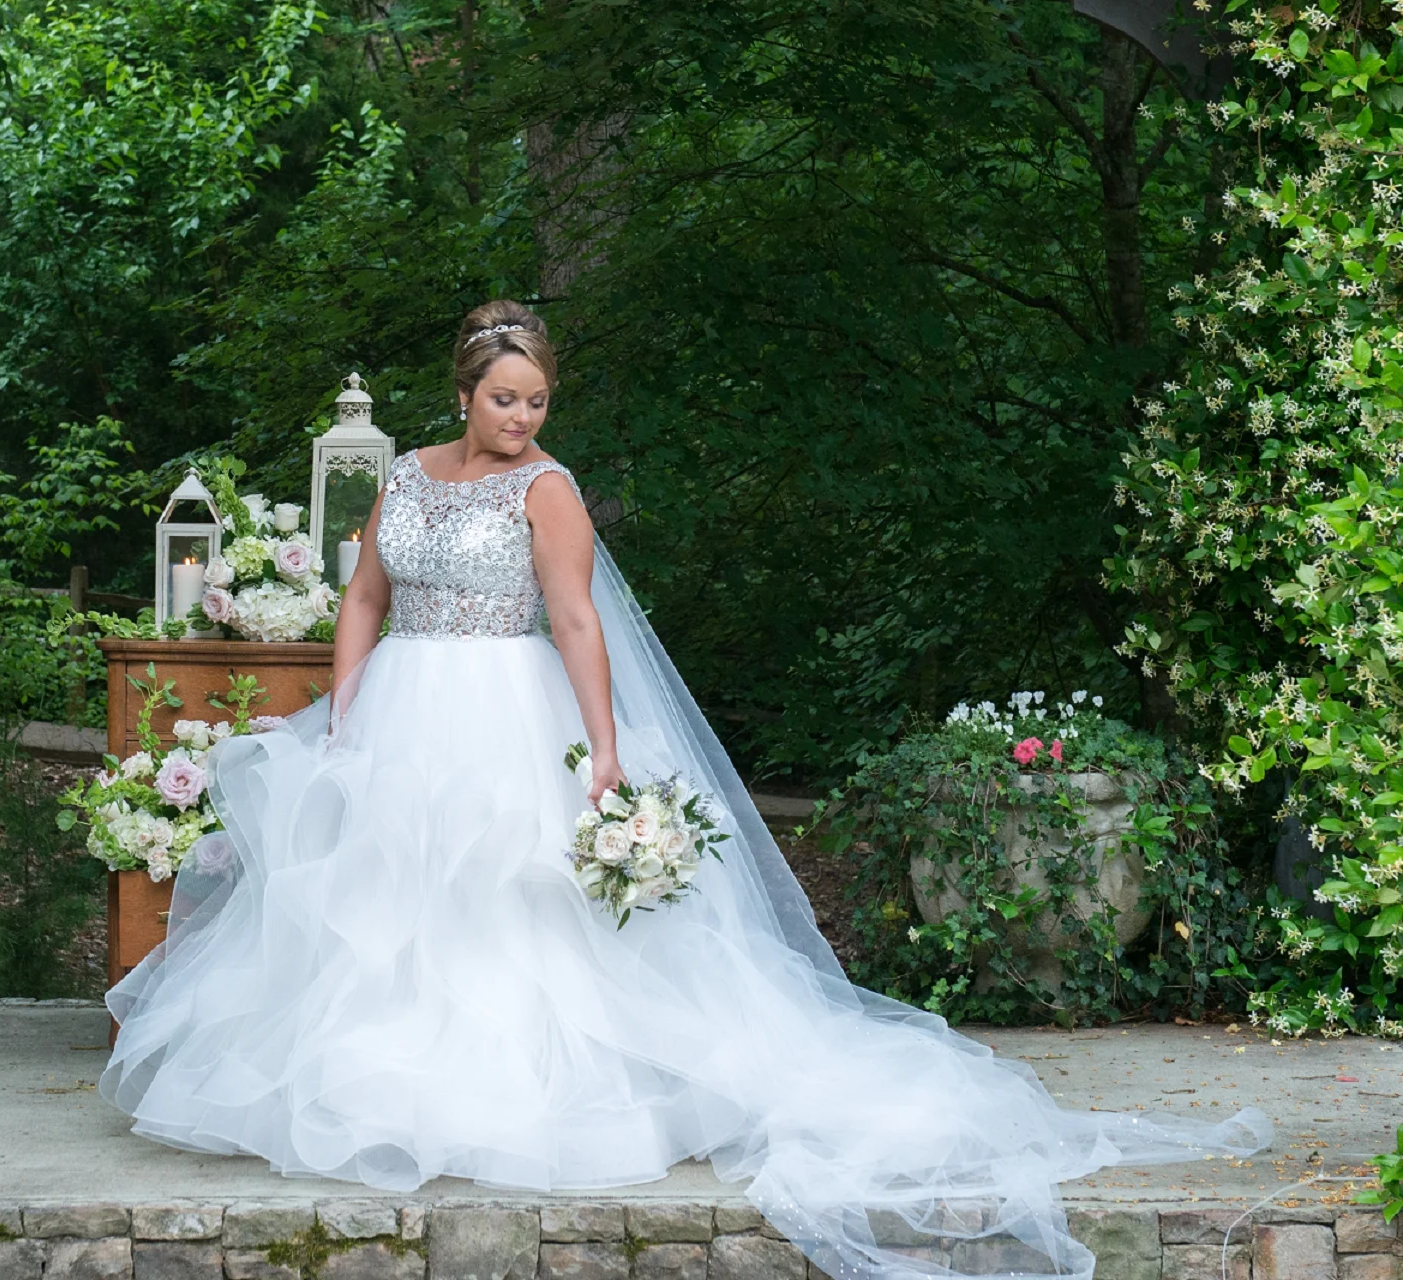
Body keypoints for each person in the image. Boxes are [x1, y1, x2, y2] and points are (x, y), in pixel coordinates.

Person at [97, 299, 1270, 1280]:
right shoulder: (402, 479)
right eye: (504, 398)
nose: (522, 417)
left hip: (508, 709)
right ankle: (380, 1089)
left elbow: (575, 619)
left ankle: (520, 1095)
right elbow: (363, 599)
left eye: (537, 400)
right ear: (462, 393)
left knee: (512, 900)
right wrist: (348, 715)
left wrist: (602, 749)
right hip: (402, 708)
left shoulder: (547, 488)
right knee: (393, 897)